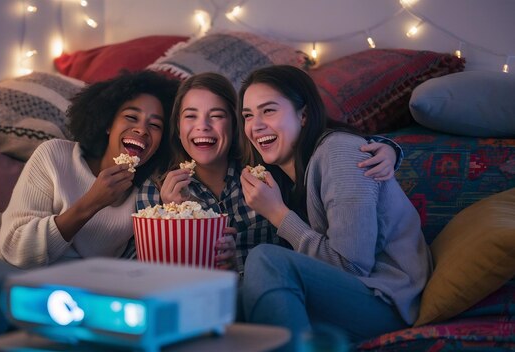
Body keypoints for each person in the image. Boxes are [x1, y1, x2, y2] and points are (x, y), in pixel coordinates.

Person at [0, 70, 180, 351]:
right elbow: (16, 250)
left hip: (63, 297)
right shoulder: (54, 156)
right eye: (131, 117)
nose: (142, 129)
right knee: (8, 289)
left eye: (155, 125)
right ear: (108, 123)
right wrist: (90, 203)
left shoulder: (147, 195)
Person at [237, 65, 432, 350]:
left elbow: (352, 266)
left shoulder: (339, 152)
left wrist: (278, 213)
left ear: (303, 115)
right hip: (346, 294)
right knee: (227, 297)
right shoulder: (284, 175)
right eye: (248, 115)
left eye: (268, 111)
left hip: (385, 301)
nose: (255, 126)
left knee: (267, 259)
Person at [137, 72, 403, 274]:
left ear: (236, 124)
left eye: (216, 115)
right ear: (178, 125)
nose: (203, 126)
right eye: (190, 116)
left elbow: (315, 150)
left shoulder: (265, 173)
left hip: (269, 287)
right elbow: (152, 274)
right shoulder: (159, 189)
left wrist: (387, 149)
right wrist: (172, 223)